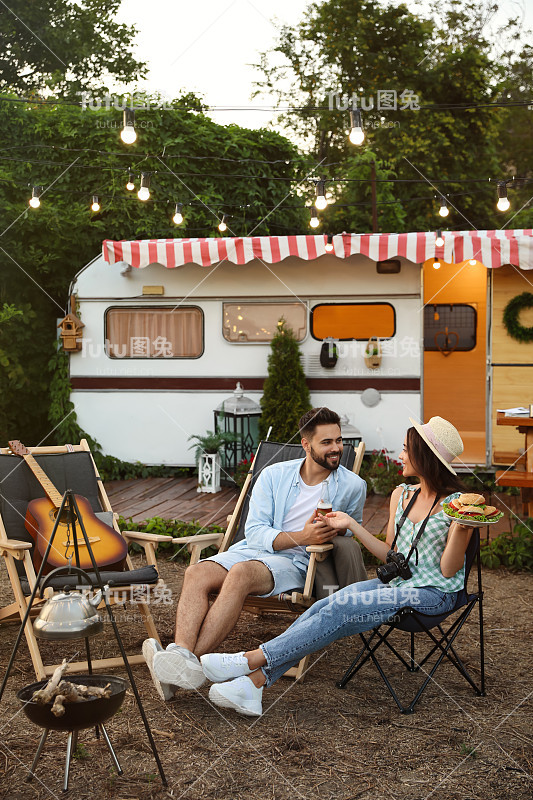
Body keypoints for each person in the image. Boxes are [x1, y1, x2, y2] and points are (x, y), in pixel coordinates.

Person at [199, 415, 475, 717]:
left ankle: (250, 660)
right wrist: (351, 524)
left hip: (434, 594)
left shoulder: (459, 505)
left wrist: (462, 529)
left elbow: (449, 572)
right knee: (327, 604)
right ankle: (253, 685)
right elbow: (391, 555)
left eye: (406, 449)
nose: (400, 455)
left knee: (342, 609)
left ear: (425, 456)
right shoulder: (402, 495)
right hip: (399, 583)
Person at [143, 407, 367, 700]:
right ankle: (183, 657)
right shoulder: (274, 475)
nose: (336, 448)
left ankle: (185, 665)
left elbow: (353, 530)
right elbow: (256, 531)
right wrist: (302, 534)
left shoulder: (353, 485)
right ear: (306, 444)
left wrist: (334, 532)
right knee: (195, 571)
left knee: (242, 573)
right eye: (327, 442)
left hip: (299, 562)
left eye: (339, 440)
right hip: (254, 549)